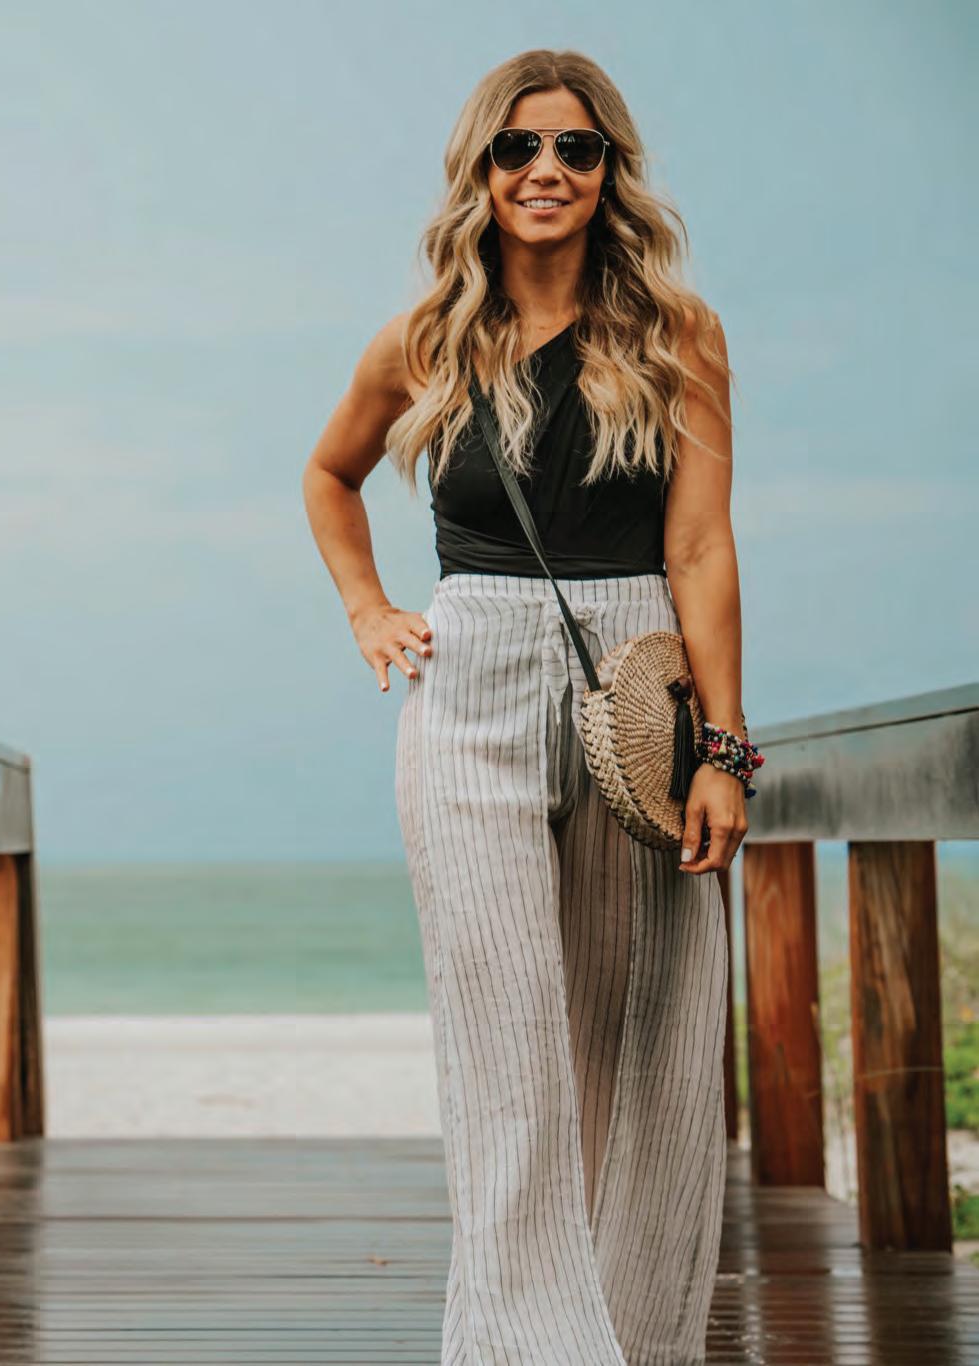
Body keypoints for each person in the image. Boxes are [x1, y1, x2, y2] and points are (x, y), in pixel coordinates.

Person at [301, 46, 749, 1366]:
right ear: (481, 169)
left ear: (611, 172)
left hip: (638, 685)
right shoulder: (424, 340)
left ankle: (638, 1338)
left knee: (646, 1029)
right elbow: (329, 475)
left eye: (575, 148)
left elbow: (701, 549)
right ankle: (524, 1348)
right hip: (470, 692)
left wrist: (722, 751)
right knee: (506, 1041)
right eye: (518, 147)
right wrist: (369, 610)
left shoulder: (678, 332)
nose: (545, 170)